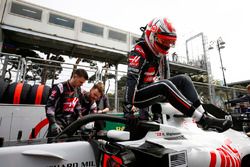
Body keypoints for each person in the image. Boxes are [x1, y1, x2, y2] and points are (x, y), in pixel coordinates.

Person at [123, 17, 232, 133]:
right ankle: (202, 121)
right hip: (137, 96)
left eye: (169, 42)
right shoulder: (138, 50)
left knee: (184, 79)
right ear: (151, 35)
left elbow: (163, 78)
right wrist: (128, 110)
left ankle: (205, 116)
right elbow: (131, 80)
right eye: (164, 41)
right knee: (165, 85)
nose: (167, 46)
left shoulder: (159, 54)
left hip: (151, 91)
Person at [45, 68, 89, 143]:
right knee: (54, 147)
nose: (81, 84)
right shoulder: (60, 87)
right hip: (57, 123)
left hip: (70, 124)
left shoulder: (78, 90)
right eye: (80, 82)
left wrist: (80, 120)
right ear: (75, 76)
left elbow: (77, 106)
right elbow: (50, 106)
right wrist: (53, 123)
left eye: (83, 83)